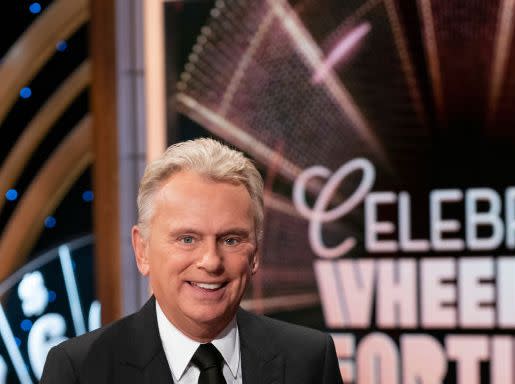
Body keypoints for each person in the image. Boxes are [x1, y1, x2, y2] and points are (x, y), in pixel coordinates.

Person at [41, 138, 343, 383]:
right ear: (142, 250)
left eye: (231, 240)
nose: (211, 261)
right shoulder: (79, 371)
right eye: (187, 239)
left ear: (255, 254)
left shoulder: (310, 362)